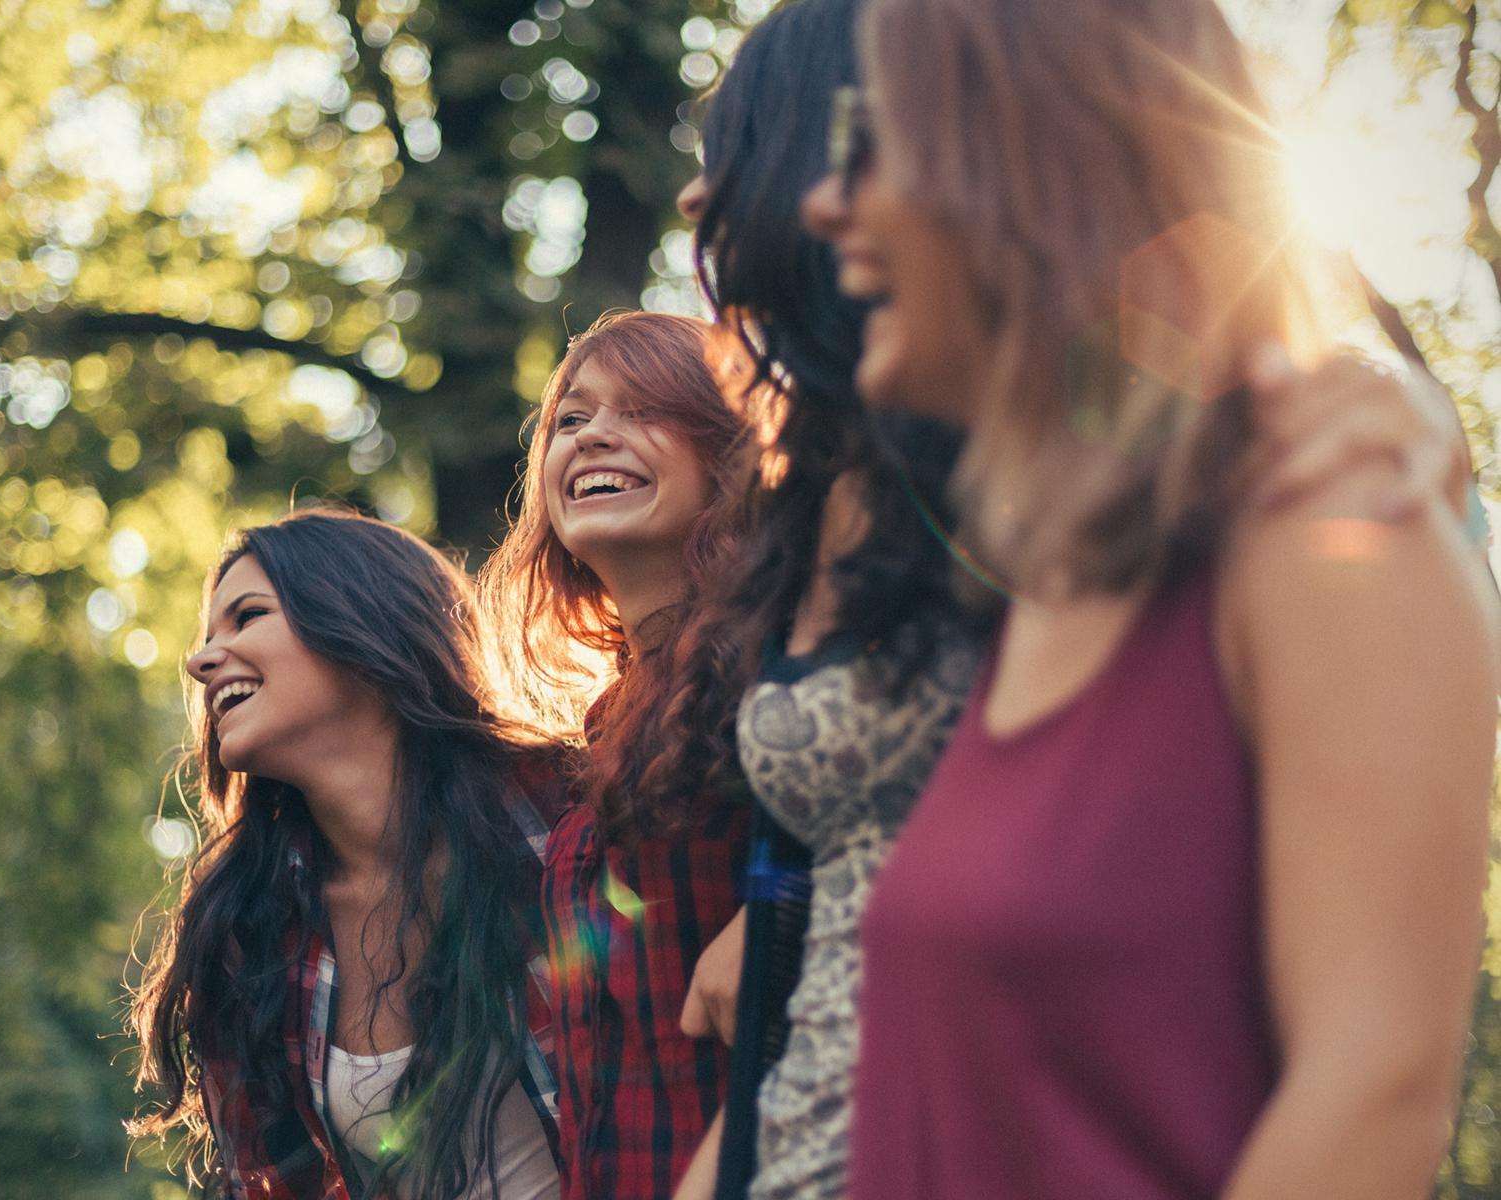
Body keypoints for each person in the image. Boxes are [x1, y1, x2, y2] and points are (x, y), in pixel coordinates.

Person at [664, 2, 1491, 1199]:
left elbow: (1370, 1090)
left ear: (1017, 162)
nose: (825, 205)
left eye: (872, 147)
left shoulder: (1310, 501)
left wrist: (1365, 398)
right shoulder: (1039, 558)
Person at [130, 507, 564, 1200]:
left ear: (361, 621)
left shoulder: (566, 813)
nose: (199, 659)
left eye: (247, 617)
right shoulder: (249, 930)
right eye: (209, 634)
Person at [476, 311, 757, 1200]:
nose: (594, 433)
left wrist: (789, 911)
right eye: (571, 419)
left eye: (642, 409)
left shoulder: (781, 669)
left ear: (731, 452)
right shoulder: (603, 728)